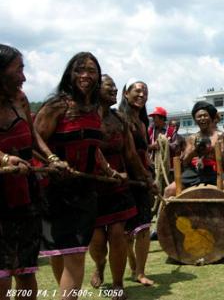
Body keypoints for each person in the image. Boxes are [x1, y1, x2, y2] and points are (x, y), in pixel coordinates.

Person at [35, 52, 123, 300]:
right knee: (62, 254)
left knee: (74, 255)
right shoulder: (57, 106)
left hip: (85, 193)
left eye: (91, 70)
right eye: (79, 70)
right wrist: (52, 160)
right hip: (54, 192)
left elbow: (92, 149)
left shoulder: (95, 110)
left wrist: (109, 170)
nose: (85, 75)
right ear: (70, 74)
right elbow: (34, 140)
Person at [0, 44, 67, 300]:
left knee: (26, 271)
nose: (24, 77)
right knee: (2, 276)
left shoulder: (20, 98)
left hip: (26, 195)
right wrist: (5, 158)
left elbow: (32, 135)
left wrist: (51, 158)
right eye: (19, 70)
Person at [89, 75, 155, 299]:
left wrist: (145, 176)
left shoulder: (120, 120)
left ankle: (118, 284)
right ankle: (99, 264)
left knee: (118, 234)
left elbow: (130, 154)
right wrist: (108, 171)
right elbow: (89, 149)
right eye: (110, 87)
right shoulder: (85, 118)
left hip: (120, 186)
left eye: (116, 86)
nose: (114, 89)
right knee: (97, 240)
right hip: (93, 186)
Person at [119, 79, 155, 286]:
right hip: (124, 178)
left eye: (145, 91)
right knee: (124, 233)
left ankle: (140, 272)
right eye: (138, 90)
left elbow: (143, 154)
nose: (142, 95)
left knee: (143, 228)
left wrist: (150, 173)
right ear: (125, 93)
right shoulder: (118, 118)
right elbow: (129, 154)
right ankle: (131, 266)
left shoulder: (142, 122)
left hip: (142, 180)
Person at [164, 101, 224, 196]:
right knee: (168, 190)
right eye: (199, 116)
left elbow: (223, 157)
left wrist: (209, 150)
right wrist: (195, 152)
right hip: (194, 172)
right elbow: (185, 161)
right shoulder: (191, 138)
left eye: (205, 115)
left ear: (210, 117)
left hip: (214, 171)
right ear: (195, 119)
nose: (202, 118)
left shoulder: (219, 135)